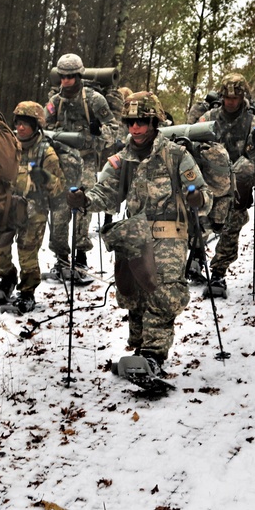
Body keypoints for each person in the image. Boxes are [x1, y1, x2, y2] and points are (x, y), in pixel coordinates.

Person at [66, 91, 211, 375]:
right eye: (131, 122)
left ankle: (153, 354)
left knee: (162, 291)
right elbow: (104, 193)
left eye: (142, 121)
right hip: (136, 233)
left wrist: (197, 200)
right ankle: (142, 348)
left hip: (170, 233)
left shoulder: (176, 155)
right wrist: (84, 200)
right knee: (135, 293)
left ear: (155, 122)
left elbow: (204, 195)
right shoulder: (121, 160)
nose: (136, 128)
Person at [197, 73, 255, 298]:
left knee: (231, 227)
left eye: (235, 97)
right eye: (227, 97)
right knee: (198, 222)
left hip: (236, 188)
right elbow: (189, 146)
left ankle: (218, 272)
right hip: (209, 184)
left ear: (243, 97)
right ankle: (194, 257)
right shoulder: (208, 118)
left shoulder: (252, 122)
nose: (231, 101)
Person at [0, 102, 65, 314]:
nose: (20, 128)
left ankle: (27, 292)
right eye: (18, 123)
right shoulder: (7, 146)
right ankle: (7, 279)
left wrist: (45, 178)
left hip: (33, 210)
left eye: (25, 125)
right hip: (7, 206)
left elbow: (59, 187)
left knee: (27, 253)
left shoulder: (46, 152)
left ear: (36, 126)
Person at [44, 53, 118, 284]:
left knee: (82, 208)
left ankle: (80, 256)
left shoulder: (94, 99)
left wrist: (97, 135)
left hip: (85, 160)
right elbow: (43, 125)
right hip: (60, 161)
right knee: (58, 210)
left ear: (78, 76)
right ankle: (61, 257)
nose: (66, 81)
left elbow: (113, 129)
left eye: (71, 77)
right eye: (63, 77)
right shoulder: (55, 101)